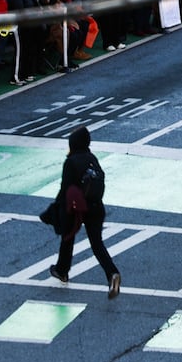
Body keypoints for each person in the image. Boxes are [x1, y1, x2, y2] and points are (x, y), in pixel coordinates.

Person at [47, 126, 121, 298]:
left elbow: (65, 189)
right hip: (96, 206)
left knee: (68, 237)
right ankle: (112, 273)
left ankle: (62, 270)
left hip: (77, 207)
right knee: (97, 244)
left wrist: (55, 209)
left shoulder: (71, 161)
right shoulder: (92, 158)